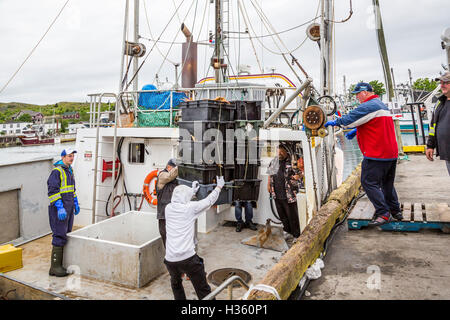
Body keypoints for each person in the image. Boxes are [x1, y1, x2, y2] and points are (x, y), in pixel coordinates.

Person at [325, 82, 401, 226]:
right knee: (387, 184)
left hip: (377, 153)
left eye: (357, 94)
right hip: (391, 152)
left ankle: (383, 213)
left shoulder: (368, 106)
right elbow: (373, 123)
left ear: (365, 92)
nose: (357, 98)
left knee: (368, 182)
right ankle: (396, 211)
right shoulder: (381, 105)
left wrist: (334, 122)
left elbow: (349, 119)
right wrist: (358, 130)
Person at [164, 176, 225, 300]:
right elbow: (208, 201)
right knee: (203, 289)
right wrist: (219, 187)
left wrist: (191, 191)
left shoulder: (168, 208)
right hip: (188, 259)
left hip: (170, 260)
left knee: (176, 286)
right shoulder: (190, 208)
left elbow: (181, 199)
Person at [47, 148, 80, 277]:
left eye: (72, 156)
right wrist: (59, 207)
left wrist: (76, 203)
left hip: (69, 207)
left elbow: (72, 190)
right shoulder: (57, 172)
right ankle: (55, 267)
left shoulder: (70, 171)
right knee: (59, 234)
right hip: (59, 209)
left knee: (66, 234)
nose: (71, 158)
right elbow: (53, 191)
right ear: (63, 157)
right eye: (69, 156)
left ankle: (59, 265)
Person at [266, 145, 302, 238]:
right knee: (282, 216)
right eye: (278, 152)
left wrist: (299, 176)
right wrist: (268, 184)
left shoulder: (293, 161)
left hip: (289, 194)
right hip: (276, 193)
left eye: (281, 152)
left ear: (286, 151)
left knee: (292, 217)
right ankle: (287, 231)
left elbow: (301, 171)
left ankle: (296, 235)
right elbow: (270, 174)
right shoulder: (273, 161)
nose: (280, 154)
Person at [426, 71, 450, 175]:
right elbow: (433, 127)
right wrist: (430, 146)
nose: (442, 85)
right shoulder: (440, 103)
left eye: (446, 82)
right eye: (441, 83)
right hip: (447, 153)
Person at [156, 158, 178, 247]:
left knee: (175, 239)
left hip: (174, 215)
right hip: (164, 216)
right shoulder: (162, 175)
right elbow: (170, 176)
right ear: (169, 167)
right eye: (174, 168)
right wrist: (180, 166)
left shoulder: (175, 179)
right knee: (166, 238)